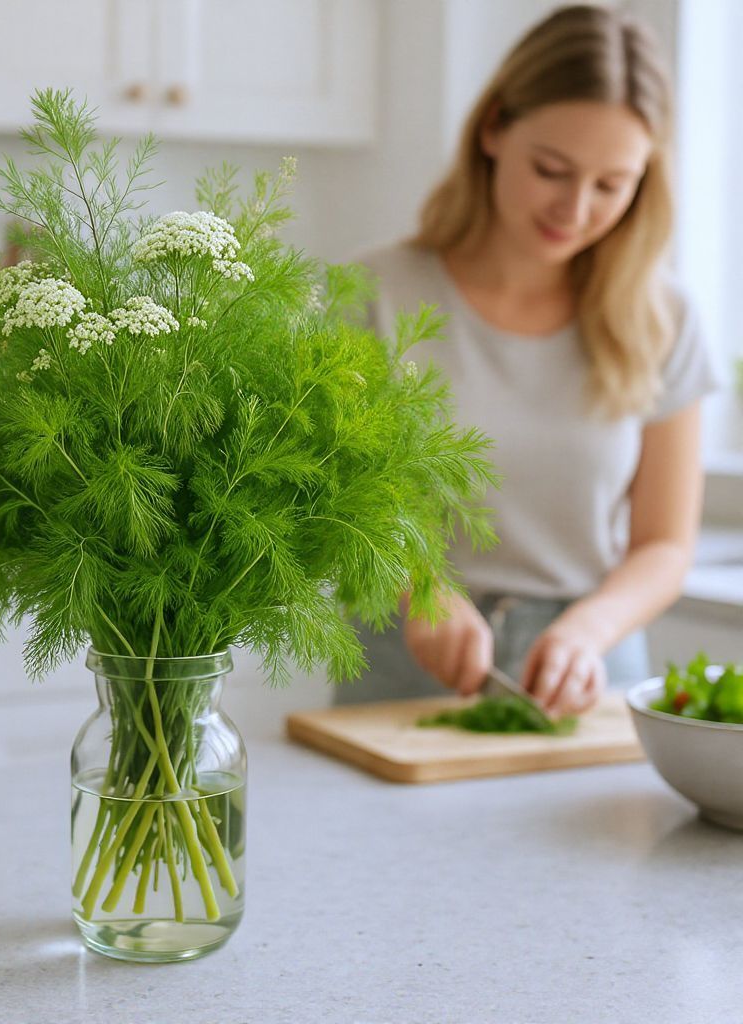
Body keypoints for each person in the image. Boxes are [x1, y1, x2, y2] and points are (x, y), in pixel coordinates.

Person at [338, 4, 719, 718]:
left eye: (612, 185)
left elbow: (665, 544)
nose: (575, 208)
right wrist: (423, 585)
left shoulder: (665, 318)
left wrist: (589, 631)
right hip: (403, 669)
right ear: (493, 130)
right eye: (552, 169)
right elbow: (334, 499)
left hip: (588, 675)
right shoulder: (373, 295)